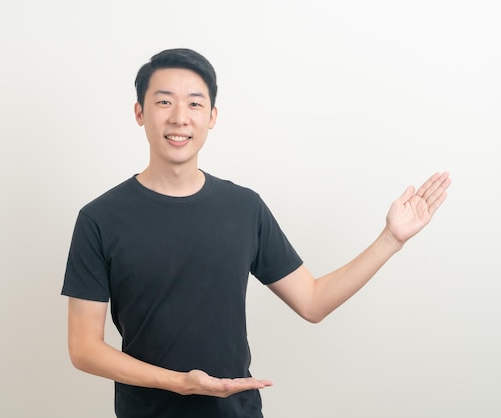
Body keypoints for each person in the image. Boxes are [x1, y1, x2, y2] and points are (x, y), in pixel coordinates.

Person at [61, 48, 451, 418]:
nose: (180, 117)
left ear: (212, 116)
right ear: (139, 113)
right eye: (164, 101)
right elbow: (84, 348)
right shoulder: (100, 218)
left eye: (195, 103)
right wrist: (179, 383)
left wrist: (391, 239)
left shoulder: (244, 208)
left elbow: (312, 301)